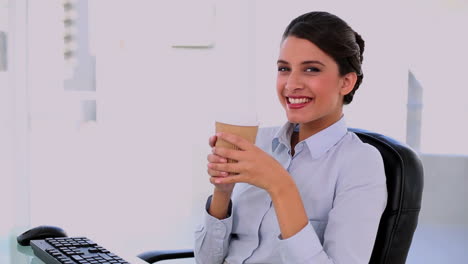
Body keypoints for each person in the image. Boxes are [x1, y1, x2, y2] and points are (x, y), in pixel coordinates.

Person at [195, 11, 387, 264]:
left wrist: (280, 185)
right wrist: (223, 191)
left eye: (311, 69)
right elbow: (206, 261)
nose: (291, 84)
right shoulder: (258, 143)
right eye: (284, 69)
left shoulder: (360, 164)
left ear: (346, 83)